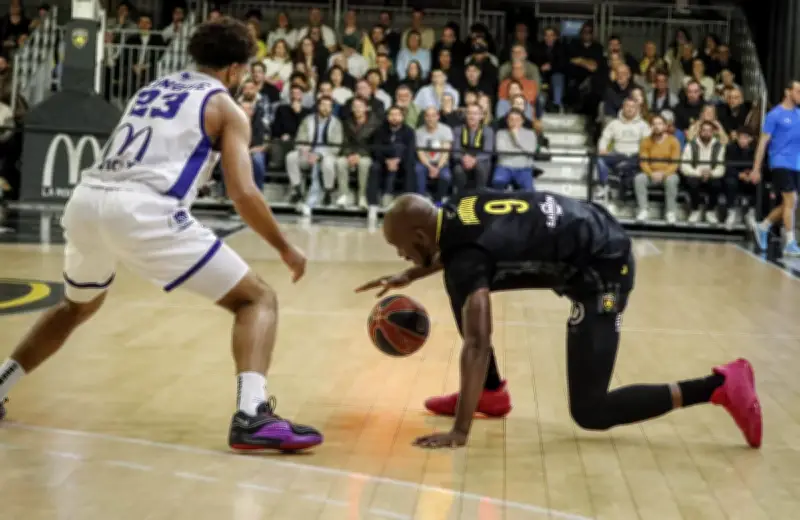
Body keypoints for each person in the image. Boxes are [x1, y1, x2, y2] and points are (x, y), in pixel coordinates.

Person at [0, 19, 323, 450]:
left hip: (86, 199)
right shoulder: (227, 107)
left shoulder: (153, 88)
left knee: (74, 307)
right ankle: (251, 415)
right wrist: (286, 247)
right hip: (143, 210)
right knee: (256, 298)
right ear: (233, 69)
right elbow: (243, 192)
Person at [355, 191, 762, 450]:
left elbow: (477, 342)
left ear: (422, 238)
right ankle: (491, 393)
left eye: (401, 249)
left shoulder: (465, 260)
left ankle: (721, 386)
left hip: (605, 273)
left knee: (590, 409)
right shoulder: (459, 206)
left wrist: (459, 433)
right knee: (461, 287)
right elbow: (468, 248)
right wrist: (410, 274)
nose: (399, 255)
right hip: (589, 227)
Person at [751, 80, 800, 256]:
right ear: (788, 92)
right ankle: (790, 242)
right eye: (798, 91)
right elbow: (763, 143)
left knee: (790, 203)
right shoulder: (774, 115)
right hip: (780, 162)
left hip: (796, 164)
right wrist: (756, 168)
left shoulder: (799, 114)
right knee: (792, 200)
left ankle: (763, 226)